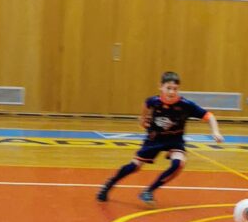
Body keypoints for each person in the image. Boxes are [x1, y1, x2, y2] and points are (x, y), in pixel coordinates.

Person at [95, 71, 225, 207]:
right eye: (168, 88)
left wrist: (215, 131)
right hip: (154, 139)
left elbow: (209, 116)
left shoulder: (186, 105)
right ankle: (109, 184)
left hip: (175, 141)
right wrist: (142, 119)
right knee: (135, 166)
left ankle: (148, 191)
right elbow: (146, 104)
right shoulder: (154, 102)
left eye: (175, 89)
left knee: (179, 164)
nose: (172, 92)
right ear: (161, 87)